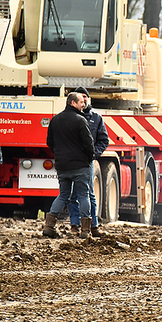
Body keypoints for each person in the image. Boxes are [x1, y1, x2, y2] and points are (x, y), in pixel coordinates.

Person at [43, 92, 94, 239]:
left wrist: (59, 155)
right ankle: (85, 230)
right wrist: (88, 159)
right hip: (80, 165)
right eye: (81, 102)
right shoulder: (80, 120)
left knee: (63, 194)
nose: (83, 104)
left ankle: (49, 226)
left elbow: (49, 142)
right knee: (83, 195)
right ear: (73, 103)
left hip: (62, 166)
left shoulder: (55, 120)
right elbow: (88, 143)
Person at [67, 87, 110, 238]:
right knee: (73, 195)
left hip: (87, 162)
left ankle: (93, 226)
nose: (84, 99)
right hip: (72, 161)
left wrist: (93, 155)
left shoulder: (96, 118)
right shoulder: (68, 118)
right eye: (81, 97)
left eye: (86, 96)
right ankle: (75, 225)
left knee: (90, 194)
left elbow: (104, 140)